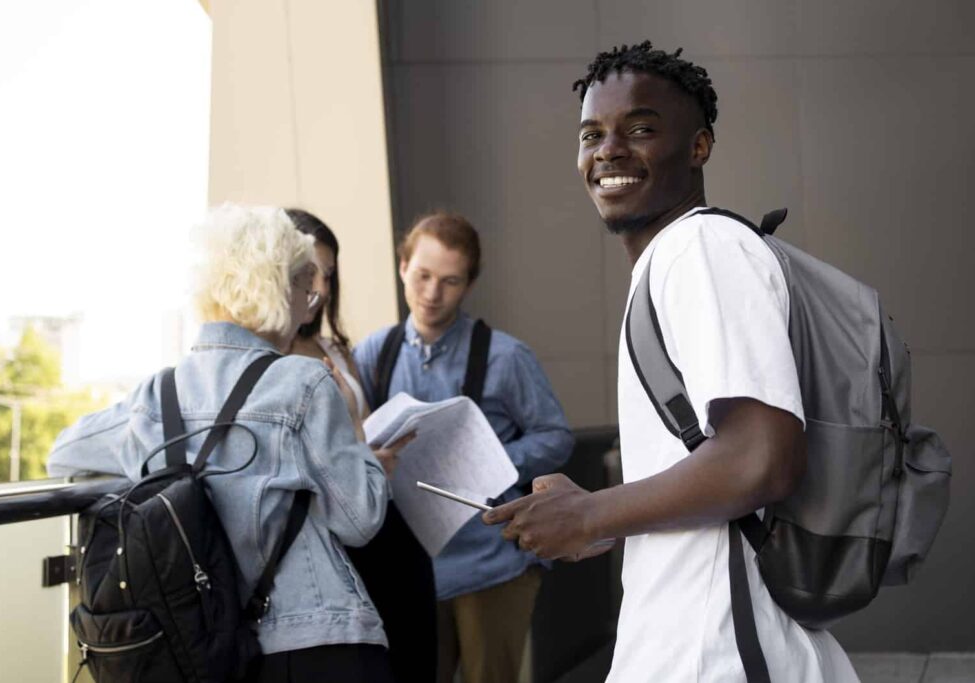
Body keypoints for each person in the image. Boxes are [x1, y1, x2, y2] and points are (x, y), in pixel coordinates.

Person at [484, 42, 860, 682]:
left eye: (639, 128)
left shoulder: (700, 249)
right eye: (591, 134)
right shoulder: (673, 260)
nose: (608, 150)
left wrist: (589, 514)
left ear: (699, 147)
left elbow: (762, 458)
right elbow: (713, 469)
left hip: (716, 653)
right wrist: (598, 514)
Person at [46, 203, 395, 682]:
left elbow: (63, 451)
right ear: (279, 288)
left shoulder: (158, 393)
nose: (308, 304)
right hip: (314, 638)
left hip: (206, 647)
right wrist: (354, 424)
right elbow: (361, 519)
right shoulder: (303, 382)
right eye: (305, 288)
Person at [353, 212, 576, 683]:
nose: (432, 294)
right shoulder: (375, 351)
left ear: (469, 284)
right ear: (402, 267)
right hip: (409, 568)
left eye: (450, 281)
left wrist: (489, 463)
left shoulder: (505, 356)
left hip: (491, 565)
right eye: (423, 276)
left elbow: (556, 437)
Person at [285, 207, 415, 478]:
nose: (322, 289)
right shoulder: (263, 357)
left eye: (328, 275)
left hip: (366, 503)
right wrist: (359, 463)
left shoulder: (335, 350)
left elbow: (366, 426)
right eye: (310, 273)